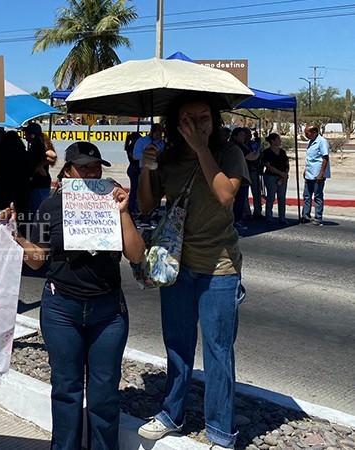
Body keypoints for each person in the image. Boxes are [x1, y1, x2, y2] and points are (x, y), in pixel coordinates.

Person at [0, 141, 144, 450]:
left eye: (95, 167)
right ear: (68, 171)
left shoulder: (113, 201)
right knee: (66, 388)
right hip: (62, 308)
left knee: (104, 392)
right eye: (83, 168)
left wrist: (124, 213)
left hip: (108, 311)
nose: (91, 173)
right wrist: (17, 235)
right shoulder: (51, 206)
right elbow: (37, 259)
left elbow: (135, 254)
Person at [137, 93, 249, 449]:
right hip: (177, 265)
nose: (197, 124)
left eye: (203, 117)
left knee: (218, 350)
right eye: (188, 119)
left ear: (214, 120)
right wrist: (146, 167)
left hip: (220, 267)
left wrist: (202, 148)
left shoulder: (229, 153)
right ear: (175, 123)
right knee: (177, 344)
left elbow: (225, 195)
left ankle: (220, 431)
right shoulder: (168, 157)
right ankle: (172, 413)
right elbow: (147, 203)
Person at [301, 125, 330, 226]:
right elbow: (310, 158)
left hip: (318, 174)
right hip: (310, 173)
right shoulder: (310, 142)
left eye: (307, 133)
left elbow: (325, 158)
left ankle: (318, 218)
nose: (306, 135)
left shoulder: (322, 141)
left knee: (317, 196)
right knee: (306, 195)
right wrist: (306, 170)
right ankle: (305, 216)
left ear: (314, 132)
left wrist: (321, 173)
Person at [262, 133, 289, 224]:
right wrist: (280, 173)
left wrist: (285, 174)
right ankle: (269, 217)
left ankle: (282, 217)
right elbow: (268, 166)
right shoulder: (267, 152)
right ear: (272, 141)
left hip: (282, 178)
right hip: (271, 177)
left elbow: (286, 164)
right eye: (278, 139)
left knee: (282, 198)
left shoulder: (282, 152)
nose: (280, 141)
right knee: (270, 198)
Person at [229, 127, 252, 230]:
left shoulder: (242, 146)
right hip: (238, 175)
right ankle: (236, 220)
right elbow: (251, 157)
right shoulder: (238, 147)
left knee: (240, 199)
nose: (244, 137)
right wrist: (258, 152)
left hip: (241, 175)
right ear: (235, 136)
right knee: (238, 199)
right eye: (241, 135)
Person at [124, 132, 143, 216]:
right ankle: (132, 208)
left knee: (135, 189)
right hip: (134, 169)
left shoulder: (131, 147)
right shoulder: (132, 148)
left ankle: (133, 207)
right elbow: (134, 158)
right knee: (134, 190)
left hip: (133, 168)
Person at [246, 129, 264, 220]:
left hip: (255, 170)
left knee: (257, 192)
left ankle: (258, 211)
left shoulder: (255, 144)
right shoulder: (243, 146)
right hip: (246, 170)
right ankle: (246, 212)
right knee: (244, 193)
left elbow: (261, 154)